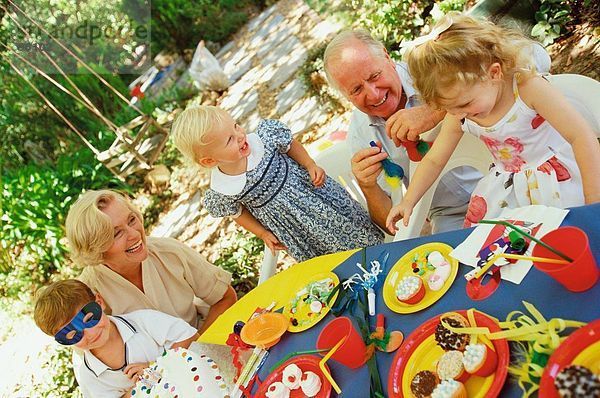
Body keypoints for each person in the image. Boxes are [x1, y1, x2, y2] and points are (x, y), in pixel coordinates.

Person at [323, 28, 551, 234]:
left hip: (509, 181)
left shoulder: (432, 64)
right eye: (356, 89)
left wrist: (438, 108)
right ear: (344, 96)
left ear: (386, 56)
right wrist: (368, 186)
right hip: (449, 217)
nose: (373, 94)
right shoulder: (361, 136)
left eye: (374, 76)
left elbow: (537, 57)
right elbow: (394, 226)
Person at [386, 14, 600, 232]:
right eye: (449, 109)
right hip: (509, 192)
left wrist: (594, 202)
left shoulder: (527, 89)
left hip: (560, 181)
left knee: (574, 236)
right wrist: (408, 201)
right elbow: (433, 161)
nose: (460, 114)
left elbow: (581, 136)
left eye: (466, 103)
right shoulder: (459, 114)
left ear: (494, 73)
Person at [171, 106, 384, 262]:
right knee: (324, 257)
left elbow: (290, 145)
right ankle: (352, 284)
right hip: (292, 225)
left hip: (314, 196)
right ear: (210, 161)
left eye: (236, 125)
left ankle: (380, 254)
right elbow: (238, 214)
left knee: (350, 227)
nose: (239, 135)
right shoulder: (223, 189)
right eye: (228, 140)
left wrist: (309, 164)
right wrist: (263, 233)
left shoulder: (263, 139)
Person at [66, 189, 237, 334]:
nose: (135, 234)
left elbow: (225, 297)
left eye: (132, 220)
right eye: (117, 233)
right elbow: (94, 352)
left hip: (200, 340)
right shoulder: (87, 293)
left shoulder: (170, 252)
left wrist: (196, 349)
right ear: (95, 249)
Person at [33, 279, 199, 398]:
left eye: (89, 319)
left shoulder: (143, 321)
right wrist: (141, 388)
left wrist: (157, 368)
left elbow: (191, 337)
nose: (90, 334)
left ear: (99, 302)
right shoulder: (89, 375)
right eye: (72, 335)